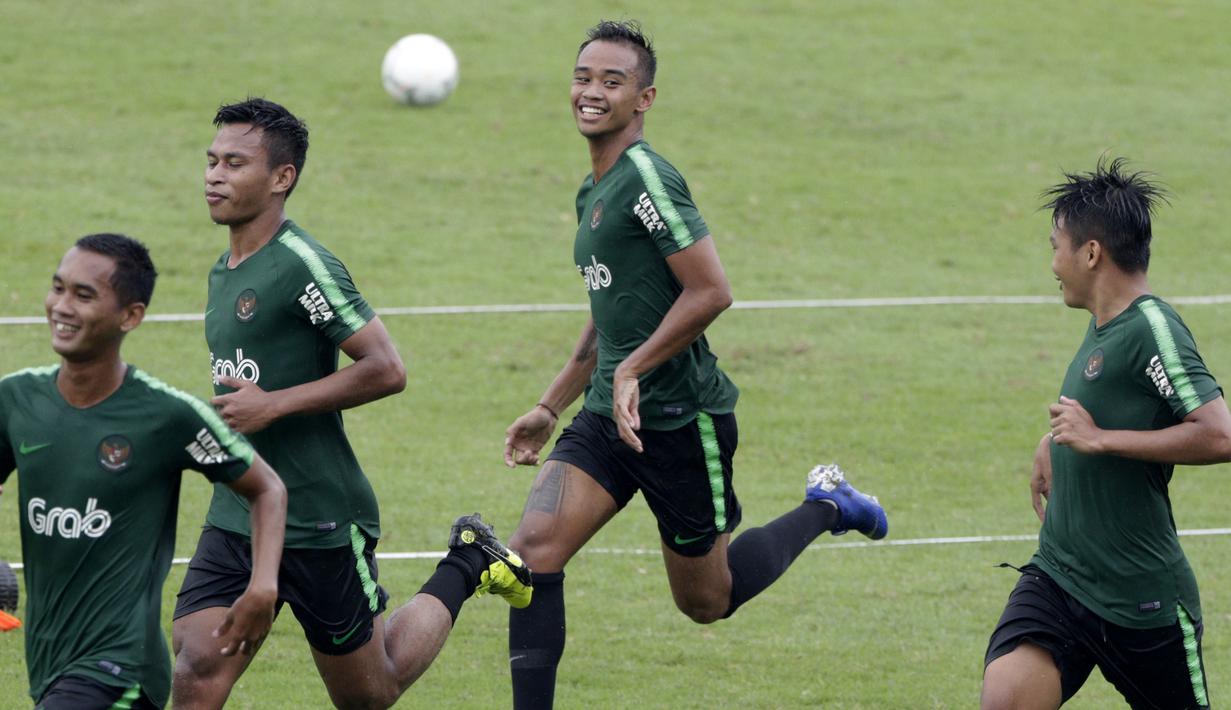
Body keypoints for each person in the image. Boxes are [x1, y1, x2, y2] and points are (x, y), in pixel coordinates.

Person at [501, 21, 888, 709]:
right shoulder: (592, 190)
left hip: (679, 419)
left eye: (611, 82)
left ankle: (827, 505)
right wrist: (551, 402)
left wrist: (633, 370)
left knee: (707, 602)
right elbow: (609, 310)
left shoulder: (647, 177)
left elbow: (711, 289)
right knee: (533, 551)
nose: (591, 92)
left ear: (643, 98)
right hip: (605, 418)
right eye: (583, 77)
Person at [171, 97, 532, 709]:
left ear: (282, 178)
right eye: (211, 161)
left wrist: (273, 406)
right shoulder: (223, 269)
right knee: (196, 668)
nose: (214, 175)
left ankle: (467, 562)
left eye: (234, 163)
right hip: (242, 508)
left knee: (370, 693)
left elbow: (387, 368)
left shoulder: (304, 266)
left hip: (319, 518)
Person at [980, 159, 1231, 710]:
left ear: (1091, 253)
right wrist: (1059, 445)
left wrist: (1099, 440)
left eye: (1056, 246)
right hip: (1062, 574)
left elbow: (1218, 436)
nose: (1052, 264)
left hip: (1140, 600)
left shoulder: (1152, 327)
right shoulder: (1101, 328)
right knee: (1007, 699)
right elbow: (1113, 413)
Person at [0, 234, 287, 709]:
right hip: (51, 662)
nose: (62, 307)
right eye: (58, 288)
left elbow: (267, 488)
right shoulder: (17, 402)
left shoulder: (164, 415)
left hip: (121, 670)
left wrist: (262, 586)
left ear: (130, 316)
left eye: (84, 295)